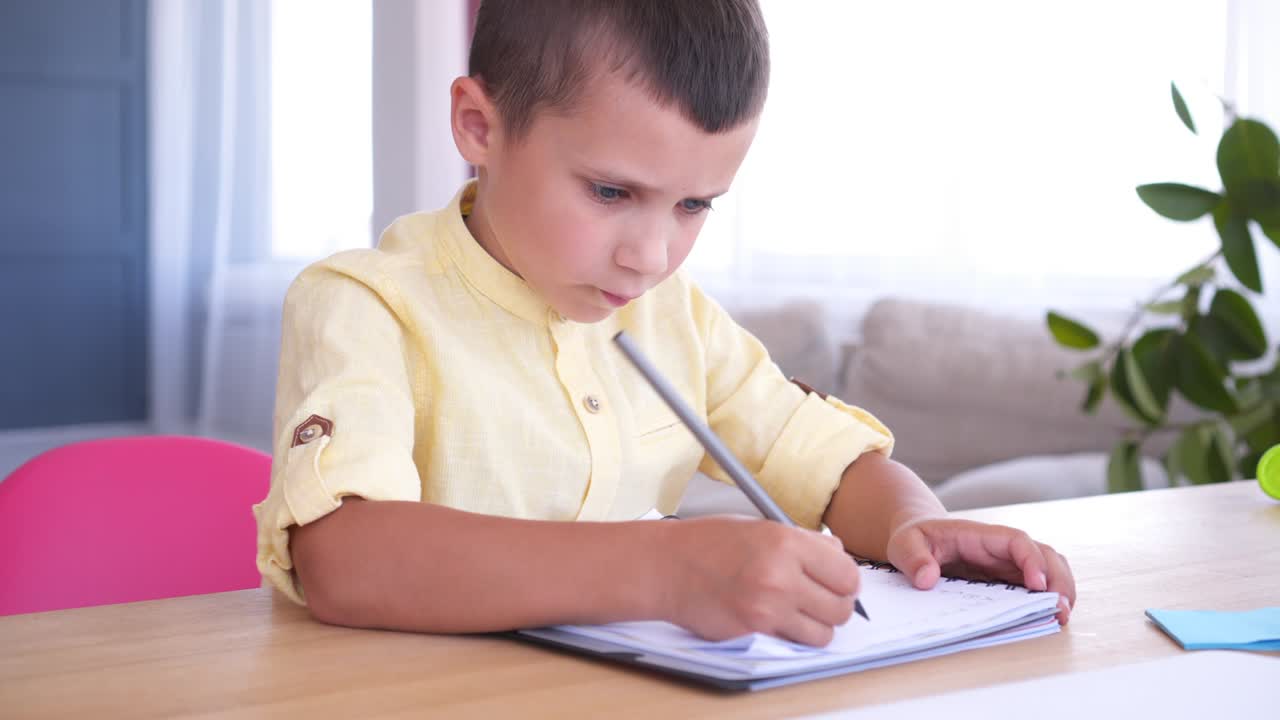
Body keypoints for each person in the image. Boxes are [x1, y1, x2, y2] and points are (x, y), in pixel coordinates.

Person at [253, 0, 1075, 648]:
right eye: (611, 193)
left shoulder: (674, 318)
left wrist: (916, 526)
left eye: (693, 206)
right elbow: (345, 560)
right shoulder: (365, 305)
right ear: (480, 127)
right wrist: (664, 567)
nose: (650, 256)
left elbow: (827, 462)